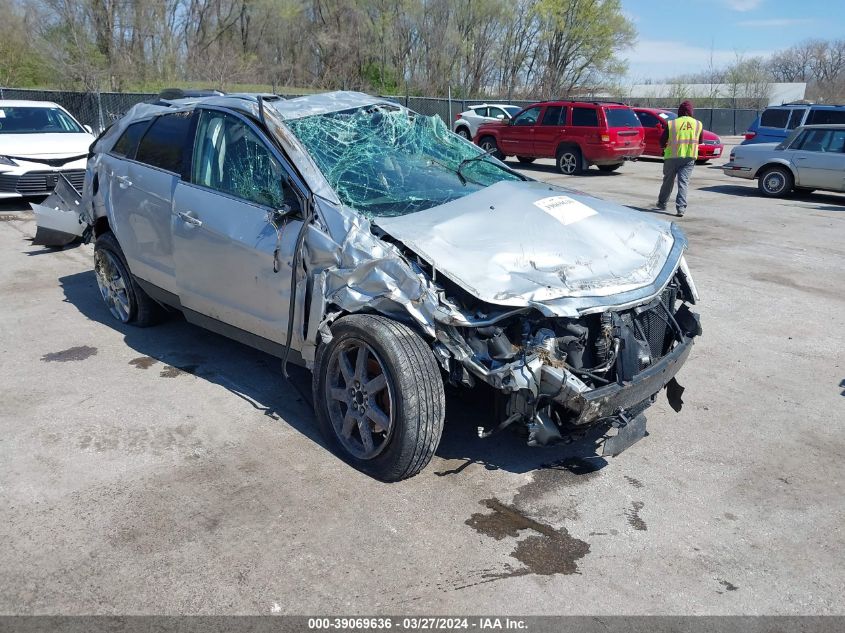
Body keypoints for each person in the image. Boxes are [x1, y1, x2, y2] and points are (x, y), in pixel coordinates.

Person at [656, 100, 703, 217]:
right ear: (691, 111)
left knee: (668, 181)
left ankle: (662, 203)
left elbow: (662, 141)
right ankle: (680, 208)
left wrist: (664, 147)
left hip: (671, 156)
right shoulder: (698, 124)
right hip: (689, 157)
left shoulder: (672, 123)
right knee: (683, 183)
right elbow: (700, 141)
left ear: (680, 111)